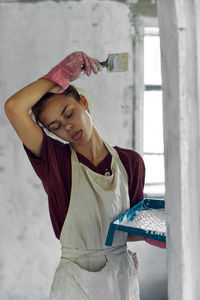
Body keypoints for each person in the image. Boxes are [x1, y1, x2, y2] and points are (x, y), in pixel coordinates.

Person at [4, 51, 162, 300]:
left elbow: (127, 229)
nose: (66, 126)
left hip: (121, 276)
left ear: (84, 103)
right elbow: (14, 108)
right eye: (55, 127)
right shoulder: (55, 162)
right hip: (77, 284)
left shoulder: (131, 162)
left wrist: (162, 228)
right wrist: (60, 75)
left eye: (68, 113)